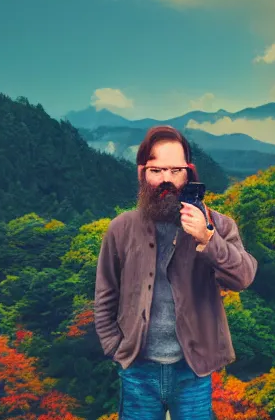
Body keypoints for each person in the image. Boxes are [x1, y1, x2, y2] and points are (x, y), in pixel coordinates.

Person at [94, 125, 257, 419]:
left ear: (189, 173)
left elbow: (243, 277)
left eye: (175, 170)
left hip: (192, 370)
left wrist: (208, 239)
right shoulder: (121, 229)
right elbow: (106, 294)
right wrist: (116, 349)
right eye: (156, 170)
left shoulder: (218, 226)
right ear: (142, 173)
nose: (165, 179)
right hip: (137, 369)